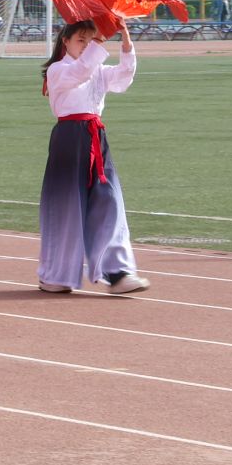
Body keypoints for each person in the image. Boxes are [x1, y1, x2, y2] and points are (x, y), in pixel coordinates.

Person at [38, 20, 149, 294]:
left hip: (96, 137)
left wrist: (126, 41)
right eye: (81, 40)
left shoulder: (96, 69)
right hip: (69, 138)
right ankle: (56, 275)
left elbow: (123, 78)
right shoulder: (57, 70)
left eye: (91, 40)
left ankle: (118, 273)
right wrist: (99, 40)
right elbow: (80, 72)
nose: (86, 45)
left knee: (109, 200)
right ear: (65, 41)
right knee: (66, 207)